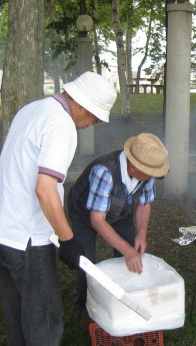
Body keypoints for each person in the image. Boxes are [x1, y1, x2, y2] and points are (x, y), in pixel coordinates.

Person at [0, 71, 116, 345]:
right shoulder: (61, 125)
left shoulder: (32, 110)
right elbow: (45, 189)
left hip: (4, 234)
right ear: (82, 105)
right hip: (29, 239)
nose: (93, 124)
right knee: (45, 325)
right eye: (95, 117)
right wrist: (69, 240)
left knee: (17, 321)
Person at [67, 133, 169, 315]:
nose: (153, 177)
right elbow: (97, 220)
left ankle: (126, 297)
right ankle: (84, 306)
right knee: (86, 259)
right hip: (84, 212)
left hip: (120, 211)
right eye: (150, 173)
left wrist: (142, 233)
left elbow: (144, 204)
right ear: (135, 166)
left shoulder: (148, 172)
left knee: (130, 251)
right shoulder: (104, 172)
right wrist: (127, 250)